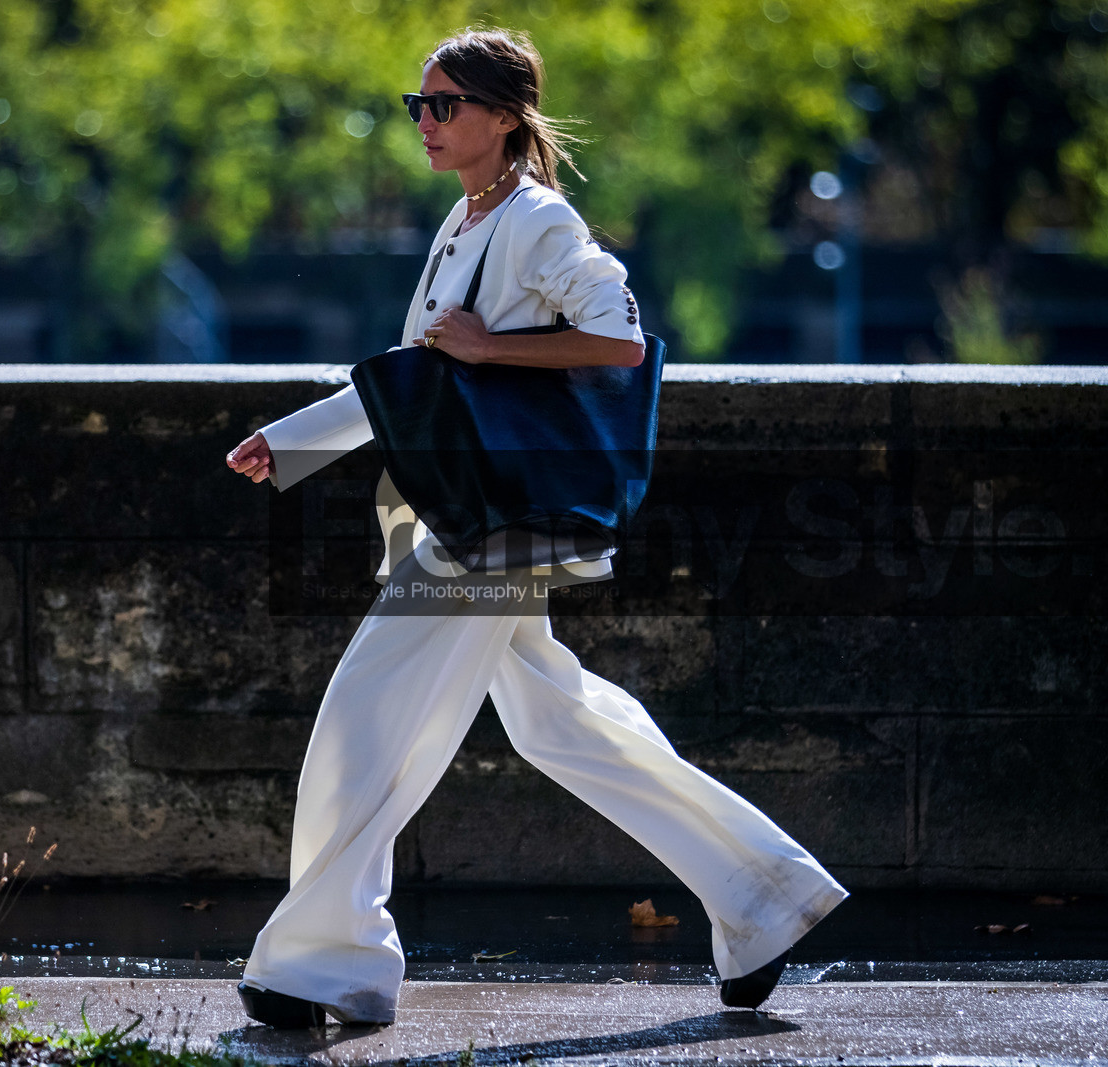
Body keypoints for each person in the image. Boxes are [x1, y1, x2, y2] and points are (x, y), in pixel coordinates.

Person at [223, 27, 847, 1028]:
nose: (426, 122)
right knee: (563, 722)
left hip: (491, 528)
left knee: (362, 723)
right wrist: (293, 439)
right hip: (478, 518)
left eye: (446, 105)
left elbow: (621, 339)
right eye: (419, 105)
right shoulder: (467, 217)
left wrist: (490, 348)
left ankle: (324, 963)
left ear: (506, 117)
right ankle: (763, 897)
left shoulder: (536, 218)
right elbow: (419, 372)